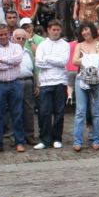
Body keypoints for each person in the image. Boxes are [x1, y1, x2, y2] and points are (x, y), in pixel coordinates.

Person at [0, 25, 26, 154]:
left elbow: (18, 60)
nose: (3, 37)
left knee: (17, 114)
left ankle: (19, 142)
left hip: (15, 83)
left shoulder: (16, 47)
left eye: (5, 34)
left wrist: (0, 59)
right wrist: (9, 64)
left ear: (9, 34)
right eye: (0, 35)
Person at [33, 20, 69, 150]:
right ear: (48, 30)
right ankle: (45, 139)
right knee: (44, 112)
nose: (56, 32)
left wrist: (47, 58)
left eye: (58, 30)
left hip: (60, 81)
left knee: (59, 112)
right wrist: (54, 60)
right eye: (53, 29)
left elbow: (63, 61)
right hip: (45, 82)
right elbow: (38, 63)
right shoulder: (42, 44)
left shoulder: (65, 45)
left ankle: (57, 137)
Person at [72, 22, 99, 152]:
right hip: (81, 79)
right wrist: (92, 58)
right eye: (82, 31)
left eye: (87, 30)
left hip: (97, 79)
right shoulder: (79, 45)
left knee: (96, 111)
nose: (85, 33)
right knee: (80, 110)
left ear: (92, 30)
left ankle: (97, 139)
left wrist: (84, 58)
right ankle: (77, 140)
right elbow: (74, 61)